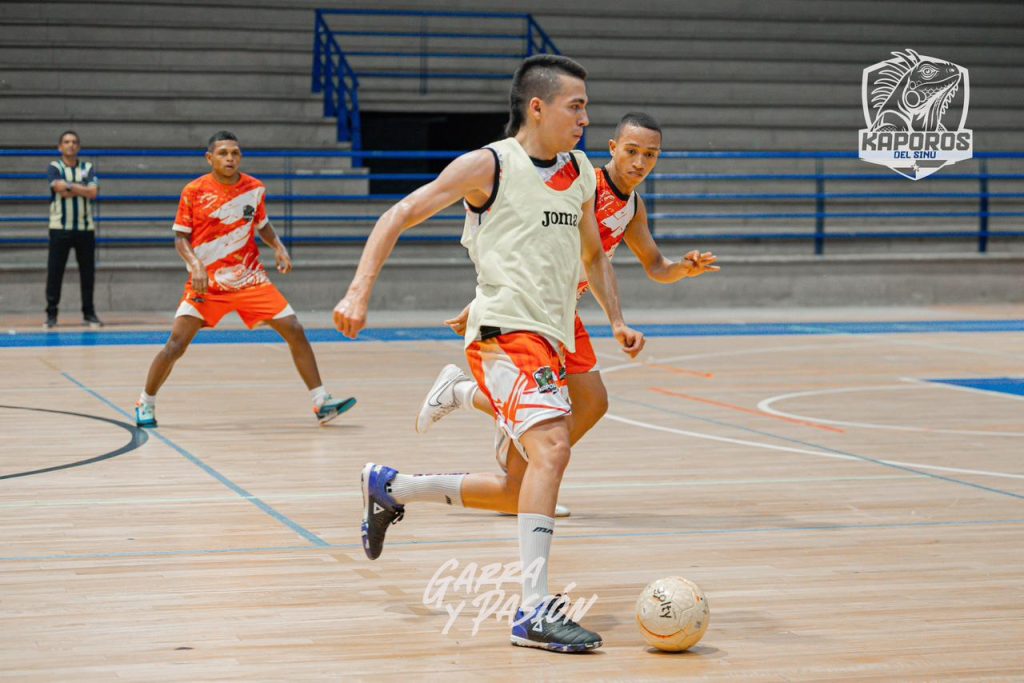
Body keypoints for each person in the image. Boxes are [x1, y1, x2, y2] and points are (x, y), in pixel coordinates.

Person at [334, 55, 645, 653]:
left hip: (558, 330)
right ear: (538, 107)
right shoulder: (489, 165)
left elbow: (593, 255)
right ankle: (533, 611)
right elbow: (399, 213)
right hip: (505, 333)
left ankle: (392, 487)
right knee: (553, 448)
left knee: (525, 477)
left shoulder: (581, 170)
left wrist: (616, 320)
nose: (585, 118)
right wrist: (357, 291)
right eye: (576, 106)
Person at [414, 113, 719, 503]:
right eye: (632, 151)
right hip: (528, 306)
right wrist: (484, 298)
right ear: (613, 148)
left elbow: (655, 265)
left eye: (650, 155)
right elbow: (528, 238)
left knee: (592, 401)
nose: (640, 162)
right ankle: (505, 445)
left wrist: (682, 269)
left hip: (562, 309)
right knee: (548, 403)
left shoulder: (632, 207)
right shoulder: (580, 181)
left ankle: (523, 465)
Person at [133, 131, 355, 428]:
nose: (230, 158)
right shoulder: (194, 191)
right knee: (176, 344)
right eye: (223, 153)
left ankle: (321, 401)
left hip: (250, 278)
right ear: (209, 158)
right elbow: (180, 238)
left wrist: (278, 247)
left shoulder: (254, 188)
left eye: (235, 153)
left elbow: (262, 225)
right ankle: (145, 401)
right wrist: (196, 265)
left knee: (294, 329)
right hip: (208, 282)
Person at [45, 130, 102, 329]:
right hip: (60, 228)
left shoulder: (87, 167)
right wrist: (81, 188)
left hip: (85, 228)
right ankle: (51, 314)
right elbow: (58, 188)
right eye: (67, 142)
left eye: (74, 142)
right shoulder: (55, 166)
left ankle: (89, 313)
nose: (71, 145)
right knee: (55, 271)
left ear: (78, 146)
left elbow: (93, 192)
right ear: (60, 147)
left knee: (87, 273)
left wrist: (69, 187)